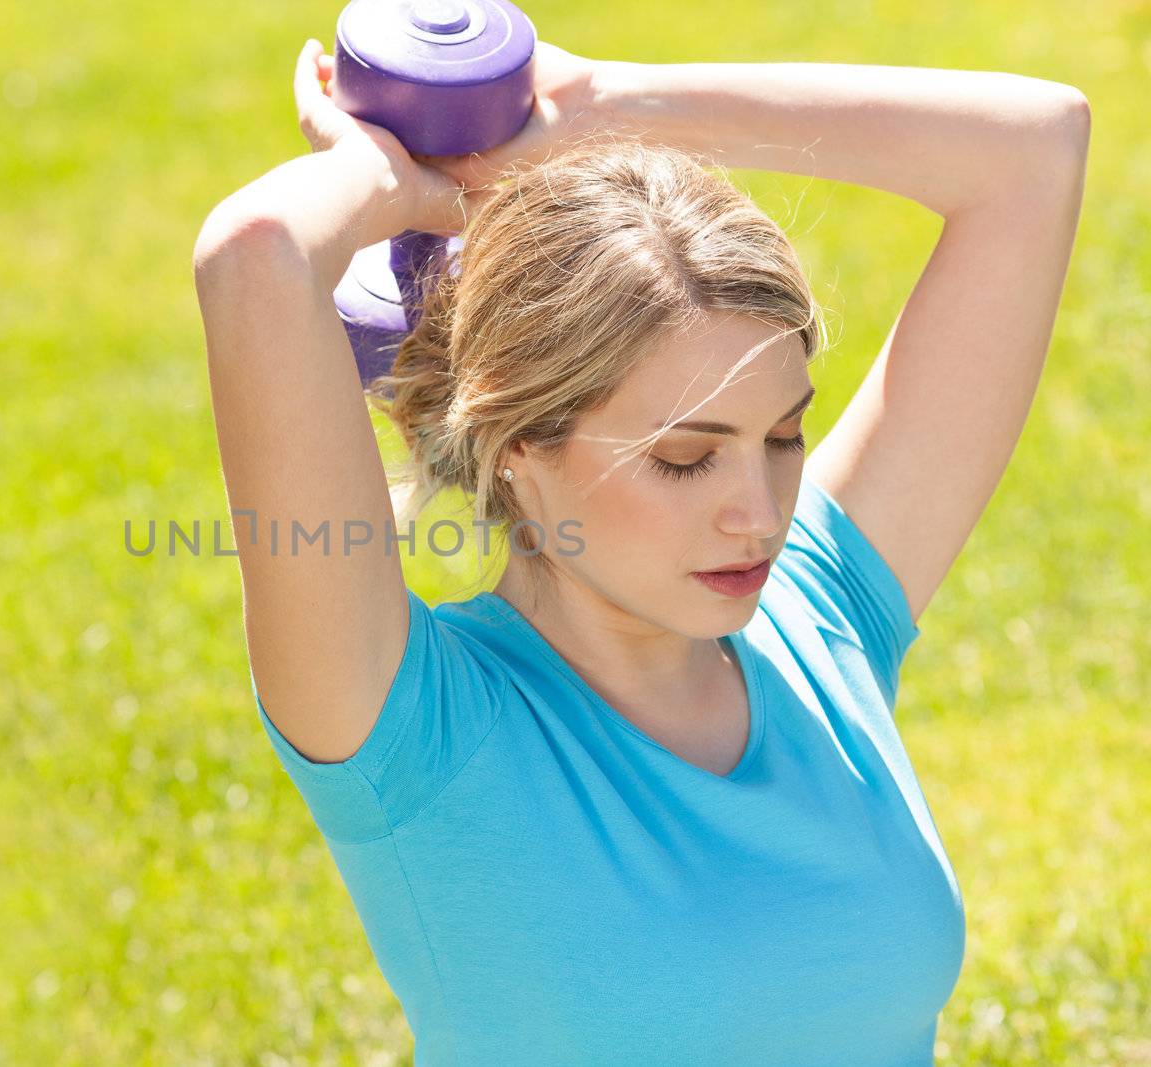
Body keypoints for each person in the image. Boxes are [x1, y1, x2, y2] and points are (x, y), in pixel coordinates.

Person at [191, 36, 1088, 1066]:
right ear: (517, 448)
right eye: (682, 459)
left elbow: (1035, 150)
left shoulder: (820, 612)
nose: (756, 512)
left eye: (784, 436)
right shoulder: (414, 731)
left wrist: (599, 105)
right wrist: (385, 182)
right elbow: (255, 253)